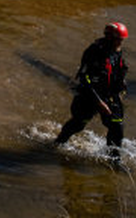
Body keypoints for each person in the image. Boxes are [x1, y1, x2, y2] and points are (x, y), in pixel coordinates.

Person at [54, 22, 130, 157]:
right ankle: (59, 142)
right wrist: (99, 102)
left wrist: (121, 89)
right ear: (109, 37)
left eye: (121, 40)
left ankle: (114, 159)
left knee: (117, 127)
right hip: (89, 95)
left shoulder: (117, 51)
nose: (120, 43)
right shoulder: (94, 52)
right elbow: (85, 79)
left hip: (110, 95)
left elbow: (118, 71)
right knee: (78, 123)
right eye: (118, 40)